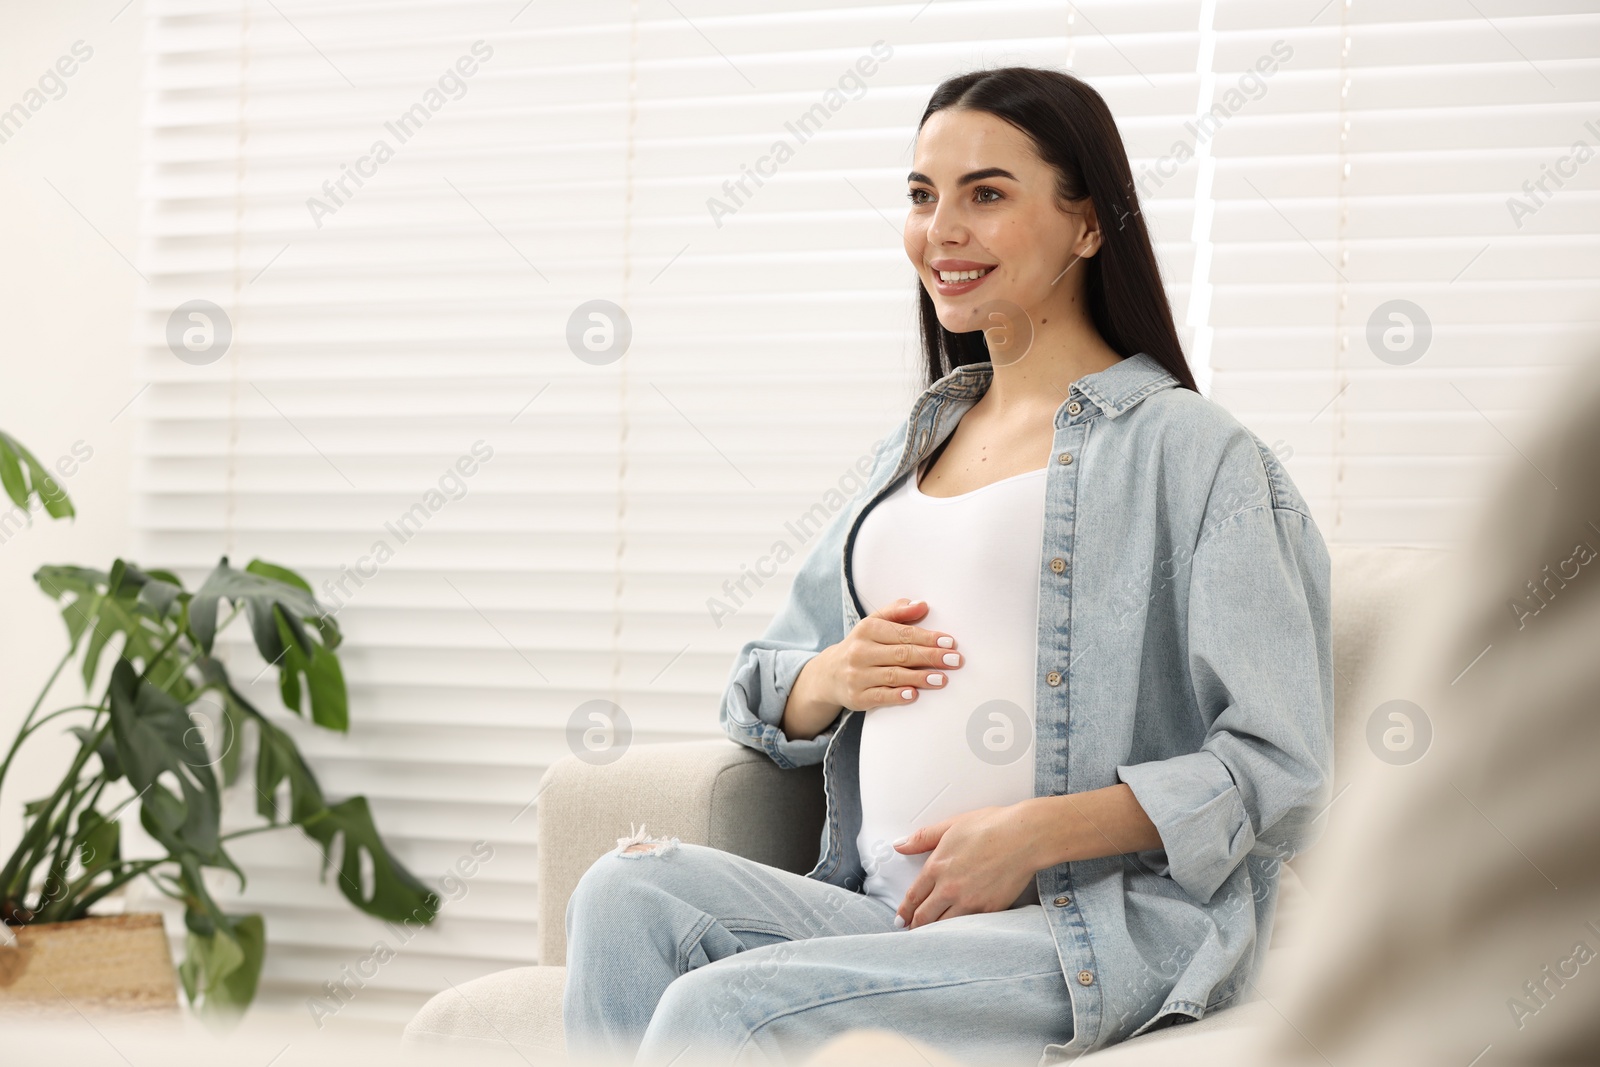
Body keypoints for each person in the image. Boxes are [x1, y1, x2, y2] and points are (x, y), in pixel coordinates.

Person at [561, 66, 1334, 1067]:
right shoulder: (916, 445)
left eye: (986, 193)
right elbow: (762, 681)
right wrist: (827, 676)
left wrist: (1036, 832)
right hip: (883, 907)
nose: (941, 228)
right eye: (923, 195)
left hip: (1082, 924)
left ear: (1088, 225)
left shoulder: (1192, 452)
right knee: (623, 890)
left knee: (724, 1012)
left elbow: (1282, 766)